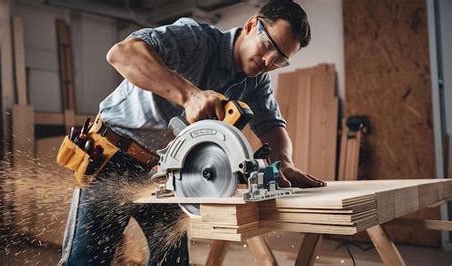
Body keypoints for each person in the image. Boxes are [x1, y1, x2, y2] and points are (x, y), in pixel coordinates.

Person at [58, 0, 326, 265]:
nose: (269, 60)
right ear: (251, 25)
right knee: (87, 261)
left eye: (280, 60)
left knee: (172, 261)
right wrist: (189, 95)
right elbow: (121, 53)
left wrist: (285, 164)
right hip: (113, 156)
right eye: (268, 45)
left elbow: (271, 125)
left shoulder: (256, 81)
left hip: (167, 172)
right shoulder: (196, 38)